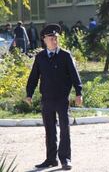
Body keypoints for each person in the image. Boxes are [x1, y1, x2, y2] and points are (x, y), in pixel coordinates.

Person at [25, 24, 83, 170]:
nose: (54, 40)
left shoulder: (65, 55)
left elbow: (74, 75)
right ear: (44, 40)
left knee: (64, 129)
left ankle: (65, 159)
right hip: (47, 99)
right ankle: (51, 159)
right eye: (51, 38)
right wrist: (29, 93)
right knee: (49, 130)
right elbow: (34, 77)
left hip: (62, 99)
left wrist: (79, 93)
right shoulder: (40, 57)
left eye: (56, 38)